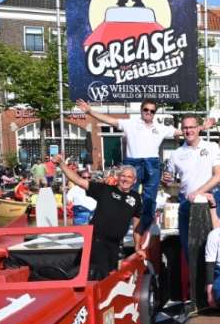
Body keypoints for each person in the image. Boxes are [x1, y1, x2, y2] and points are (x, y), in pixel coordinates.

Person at [76, 98, 180, 230]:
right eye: (146, 109)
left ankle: (144, 229)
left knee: (149, 199)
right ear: (141, 110)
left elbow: (184, 131)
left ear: (155, 113)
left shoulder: (161, 128)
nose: (148, 112)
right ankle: (121, 226)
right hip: (133, 163)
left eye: (152, 111)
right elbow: (109, 120)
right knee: (126, 196)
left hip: (152, 163)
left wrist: (202, 128)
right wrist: (90, 111)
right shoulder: (130, 123)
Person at [163, 115, 220, 312]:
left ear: (199, 128)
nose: (188, 131)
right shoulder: (176, 154)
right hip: (186, 205)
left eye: (192, 127)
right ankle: (196, 298)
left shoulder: (212, 147)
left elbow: (219, 176)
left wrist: (199, 192)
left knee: (214, 248)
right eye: (185, 128)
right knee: (190, 251)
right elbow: (170, 184)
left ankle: (216, 294)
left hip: (209, 202)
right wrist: (166, 181)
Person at [55, 156, 145, 280]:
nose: (125, 179)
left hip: (115, 245)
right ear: (118, 177)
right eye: (123, 176)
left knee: (110, 275)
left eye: (129, 177)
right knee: (100, 274)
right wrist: (61, 164)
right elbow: (79, 181)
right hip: (97, 241)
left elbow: (137, 224)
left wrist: (137, 247)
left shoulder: (136, 198)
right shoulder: (104, 189)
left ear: (134, 181)